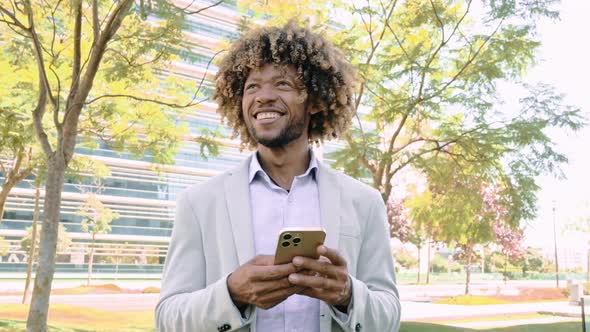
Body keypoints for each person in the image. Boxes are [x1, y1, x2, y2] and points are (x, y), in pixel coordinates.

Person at [155, 21, 401, 332]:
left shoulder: (364, 202)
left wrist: (346, 295)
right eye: (252, 87)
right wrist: (231, 294)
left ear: (315, 101)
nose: (263, 97)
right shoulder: (199, 202)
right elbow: (168, 318)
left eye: (282, 84)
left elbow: (389, 316)